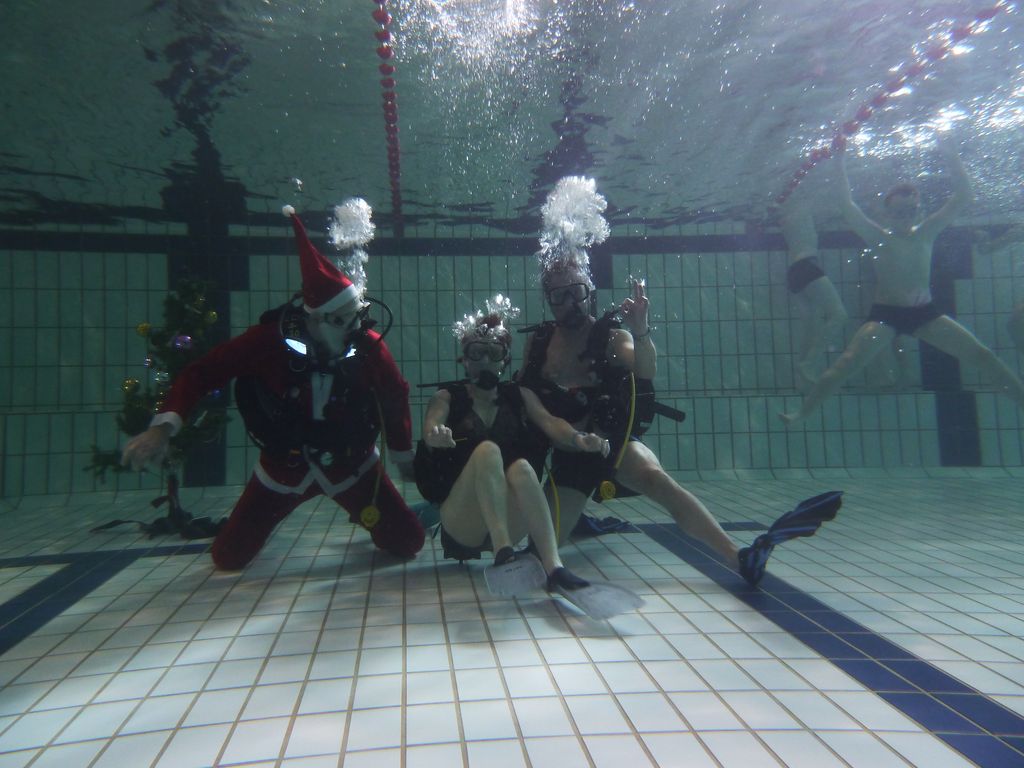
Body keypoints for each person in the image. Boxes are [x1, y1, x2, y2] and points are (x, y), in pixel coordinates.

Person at [518, 176, 840, 586]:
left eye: (576, 291)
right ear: (547, 298)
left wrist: (641, 331)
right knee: (538, 554)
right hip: (570, 456)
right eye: (559, 295)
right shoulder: (539, 344)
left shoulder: (611, 337)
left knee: (658, 480)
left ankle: (739, 556)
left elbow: (645, 371)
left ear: (589, 289)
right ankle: (579, 518)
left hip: (614, 446)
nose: (570, 302)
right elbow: (530, 401)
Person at [122, 201, 424, 569]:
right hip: (283, 468)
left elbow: (394, 395)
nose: (355, 328)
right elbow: (203, 372)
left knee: (408, 542)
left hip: (353, 466)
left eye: (356, 316)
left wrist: (404, 457)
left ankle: (360, 510)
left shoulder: (367, 345)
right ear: (316, 319)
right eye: (343, 319)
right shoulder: (268, 342)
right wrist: (163, 428)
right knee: (228, 558)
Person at [780, 140, 1024, 424]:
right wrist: (839, 160)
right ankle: (803, 413)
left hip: (925, 314)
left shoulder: (927, 231)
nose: (905, 218)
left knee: (983, 356)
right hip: (885, 316)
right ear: (886, 214)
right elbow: (846, 205)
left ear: (919, 212)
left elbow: (963, 197)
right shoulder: (877, 237)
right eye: (899, 213)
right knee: (845, 364)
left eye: (911, 211)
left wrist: (951, 154)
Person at [415, 294, 630, 606]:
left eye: (493, 353)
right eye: (476, 353)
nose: (485, 361)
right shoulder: (447, 397)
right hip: (462, 523)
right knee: (488, 452)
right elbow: (431, 424)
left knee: (522, 468)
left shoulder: (519, 395)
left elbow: (550, 422)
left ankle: (554, 567)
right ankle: (504, 553)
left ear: (505, 360)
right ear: (464, 359)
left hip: (509, 516)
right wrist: (434, 435)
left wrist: (579, 439)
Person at [779, 205, 848, 390]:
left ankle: (801, 383)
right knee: (839, 315)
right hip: (807, 266)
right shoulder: (802, 207)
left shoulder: (786, 215)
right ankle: (809, 363)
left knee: (809, 327)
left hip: (794, 271)